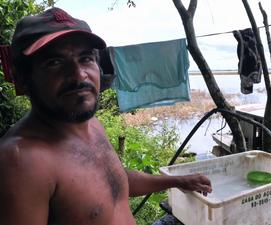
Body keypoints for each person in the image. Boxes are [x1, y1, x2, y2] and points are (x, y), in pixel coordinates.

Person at [0, 7, 212, 225]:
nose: (79, 75)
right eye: (54, 62)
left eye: (86, 58)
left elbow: (112, 181)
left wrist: (177, 181)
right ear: (22, 78)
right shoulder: (20, 162)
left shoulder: (92, 125)